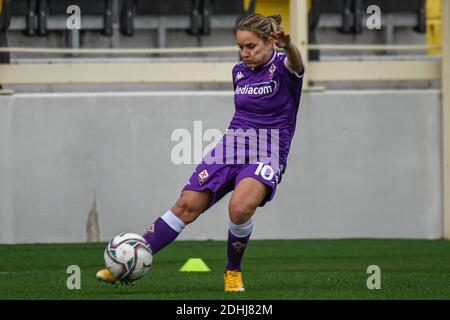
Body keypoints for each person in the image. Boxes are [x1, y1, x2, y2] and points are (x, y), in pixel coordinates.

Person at [96, 12, 305, 292]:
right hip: (231, 145)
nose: (244, 53)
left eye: (250, 47)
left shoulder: (283, 67)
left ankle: (232, 272)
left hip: (268, 149)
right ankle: (127, 261)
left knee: (240, 208)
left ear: (270, 42)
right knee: (186, 205)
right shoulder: (239, 72)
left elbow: (297, 63)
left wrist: (289, 45)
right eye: (240, 47)